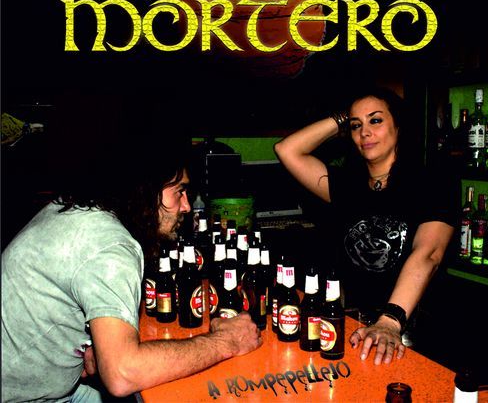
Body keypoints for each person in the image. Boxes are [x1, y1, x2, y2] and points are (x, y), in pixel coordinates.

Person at [2, 135, 262, 402]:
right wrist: (225, 342)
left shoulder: (74, 209)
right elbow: (123, 374)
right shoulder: (111, 246)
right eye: (179, 191)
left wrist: (93, 344)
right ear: (145, 191)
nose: (186, 206)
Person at [274, 86, 458, 366]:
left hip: (410, 329)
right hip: (356, 327)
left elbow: (428, 254)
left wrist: (391, 320)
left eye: (376, 120)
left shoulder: (431, 183)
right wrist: (342, 119)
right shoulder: (346, 186)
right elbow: (287, 149)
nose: (365, 133)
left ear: (398, 126)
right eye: (356, 126)